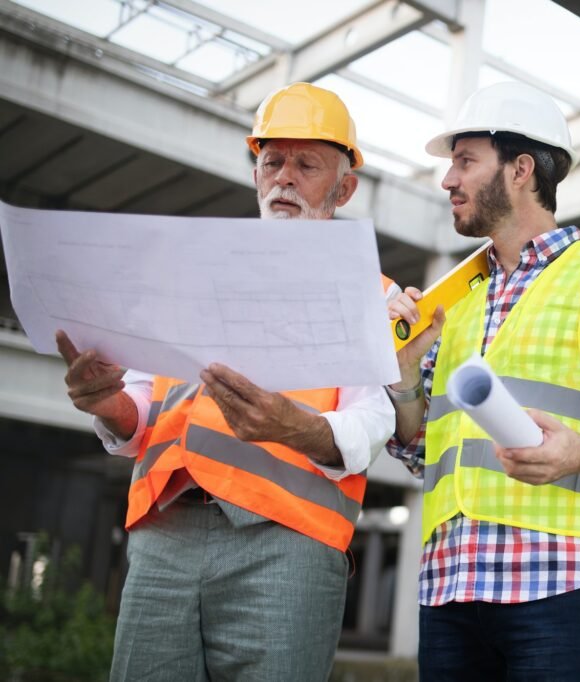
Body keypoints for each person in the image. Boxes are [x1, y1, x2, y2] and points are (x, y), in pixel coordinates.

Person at [56, 82, 406, 682]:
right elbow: (142, 409)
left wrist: (293, 428)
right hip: (165, 534)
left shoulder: (371, 296)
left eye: (306, 164)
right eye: (271, 162)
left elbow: (374, 423)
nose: (284, 178)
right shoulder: (185, 275)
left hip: (287, 544)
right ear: (255, 174)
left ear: (343, 187)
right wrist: (109, 404)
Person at [384, 81, 580, 680]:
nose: (448, 180)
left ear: (521, 170)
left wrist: (578, 453)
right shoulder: (453, 302)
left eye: (465, 161)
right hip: (448, 589)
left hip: (559, 589)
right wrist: (402, 376)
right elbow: (423, 451)